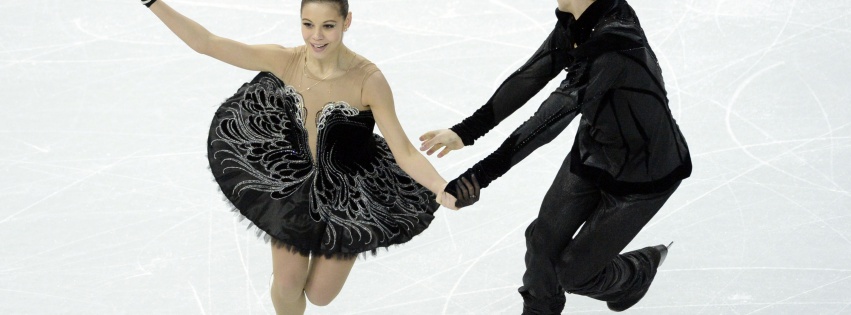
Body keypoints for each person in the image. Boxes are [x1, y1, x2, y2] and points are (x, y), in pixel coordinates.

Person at [141, 0, 458, 313]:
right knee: (287, 285)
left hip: (351, 190)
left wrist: (440, 185)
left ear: (346, 23)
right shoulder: (287, 61)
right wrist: (152, 2)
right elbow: (207, 43)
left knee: (320, 296)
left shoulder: (368, 80)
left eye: (328, 26)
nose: (316, 36)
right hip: (297, 181)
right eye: (308, 24)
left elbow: (403, 150)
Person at [419, 0, 692, 313]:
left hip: (644, 174)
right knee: (541, 245)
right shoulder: (580, 20)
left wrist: (476, 178)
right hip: (593, 154)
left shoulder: (612, 45)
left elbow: (545, 123)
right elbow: (532, 75)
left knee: (573, 274)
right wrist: (467, 131)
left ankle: (636, 272)